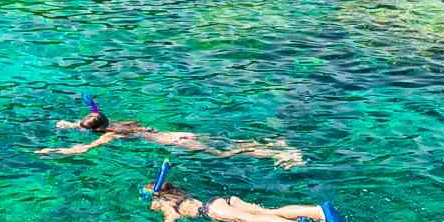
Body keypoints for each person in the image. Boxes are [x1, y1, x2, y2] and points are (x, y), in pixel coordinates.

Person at [144, 161, 364, 222]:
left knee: (254, 221)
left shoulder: (164, 202)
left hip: (211, 211)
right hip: (221, 200)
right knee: (268, 211)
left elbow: (170, 215)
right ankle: (317, 211)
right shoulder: (179, 193)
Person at [38, 94, 305, 169]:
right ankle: (274, 142)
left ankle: (275, 154)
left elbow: (83, 148)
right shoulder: (118, 124)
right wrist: (72, 124)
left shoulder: (112, 135)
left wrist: (53, 151)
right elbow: (96, 119)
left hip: (180, 143)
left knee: (225, 155)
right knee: (228, 143)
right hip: (177, 135)